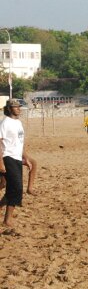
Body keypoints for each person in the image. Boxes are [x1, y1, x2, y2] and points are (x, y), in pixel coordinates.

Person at [0, 99, 26, 231]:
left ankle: (4, 215)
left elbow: (19, 142)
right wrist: (1, 163)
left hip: (17, 158)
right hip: (7, 157)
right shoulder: (5, 123)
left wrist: (25, 158)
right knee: (16, 188)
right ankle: (7, 219)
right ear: (9, 109)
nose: (18, 109)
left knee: (10, 188)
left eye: (19, 107)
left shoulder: (18, 123)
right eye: (16, 107)